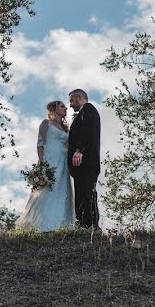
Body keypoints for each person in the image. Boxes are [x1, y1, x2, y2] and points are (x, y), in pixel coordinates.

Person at [16, 100, 76, 231]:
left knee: (61, 189)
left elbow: (68, 146)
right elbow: (40, 143)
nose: (65, 108)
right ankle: (42, 224)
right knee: (47, 189)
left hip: (62, 161)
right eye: (62, 106)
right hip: (50, 159)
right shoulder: (45, 124)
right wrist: (42, 162)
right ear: (54, 109)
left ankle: (60, 224)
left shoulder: (66, 128)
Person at [67, 88, 101, 229]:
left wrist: (79, 150)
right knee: (81, 192)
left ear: (79, 98)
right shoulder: (82, 113)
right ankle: (83, 223)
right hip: (82, 164)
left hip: (86, 162)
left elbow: (88, 131)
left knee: (87, 192)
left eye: (71, 101)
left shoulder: (88, 110)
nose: (70, 105)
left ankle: (91, 225)